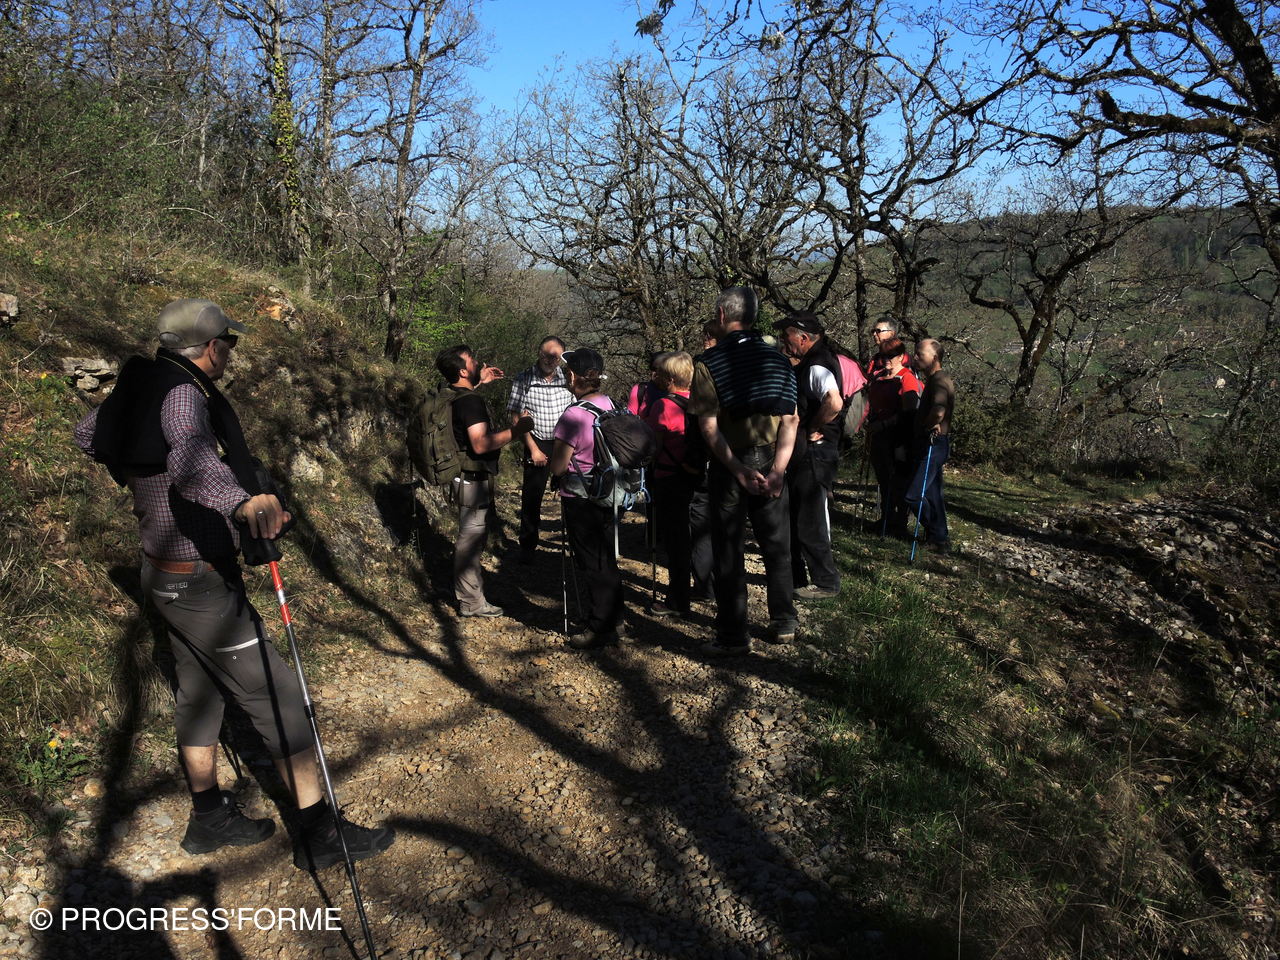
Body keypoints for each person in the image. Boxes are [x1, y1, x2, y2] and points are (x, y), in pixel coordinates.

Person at [73, 299, 394, 871]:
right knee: (280, 697)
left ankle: (209, 818)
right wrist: (241, 502)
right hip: (198, 581)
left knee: (199, 691)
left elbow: (87, 434)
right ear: (211, 347)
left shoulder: (141, 384)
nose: (231, 354)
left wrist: (141, 479)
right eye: (230, 343)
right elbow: (192, 463)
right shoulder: (182, 395)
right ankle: (321, 835)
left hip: (162, 571)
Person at [689, 287, 800, 655]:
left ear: (722, 315)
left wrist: (737, 469)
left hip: (730, 464)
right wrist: (779, 470)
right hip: (771, 457)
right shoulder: (779, 360)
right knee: (776, 544)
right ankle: (784, 620)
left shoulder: (709, 363)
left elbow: (708, 428)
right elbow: (791, 419)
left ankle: (734, 635)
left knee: (729, 549)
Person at [437, 345, 535, 617]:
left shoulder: (449, 394)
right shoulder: (470, 402)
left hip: (460, 476)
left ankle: (471, 595)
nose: (477, 362)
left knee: (471, 535)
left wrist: (479, 382)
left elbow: (462, 408)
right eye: (472, 361)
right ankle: (471, 602)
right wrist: (517, 430)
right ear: (462, 371)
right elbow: (480, 444)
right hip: (471, 479)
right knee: (470, 539)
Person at [550, 348, 624, 650]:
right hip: (611, 493)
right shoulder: (612, 404)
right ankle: (616, 618)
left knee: (592, 562)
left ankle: (600, 627)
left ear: (572, 376)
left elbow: (558, 466)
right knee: (606, 558)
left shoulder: (574, 415)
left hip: (581, 497)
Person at [774, 312, 843, 599]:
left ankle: (826, 582)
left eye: (787, 334)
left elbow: (834, 402)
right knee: (800, 515)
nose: (783, 339)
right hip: (810, 452)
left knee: (810, 519)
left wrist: (814, 426)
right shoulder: (817, 360)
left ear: (803, 338)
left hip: (815, 453)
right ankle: (798, 578)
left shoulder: (816, 365)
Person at [644, 351, 712, 616]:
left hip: (670, 478)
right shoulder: (701, 401)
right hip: (700, 476)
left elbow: (653, 445)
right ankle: (706, 588)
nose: (657, 377)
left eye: (661, 374)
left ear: (671, 379)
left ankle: (677, 600)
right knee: (702, 534)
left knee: (677, 540)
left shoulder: (663, 406)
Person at [506, 335, 572, 564]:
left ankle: (575, 544)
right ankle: (528, 546)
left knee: (573, 494)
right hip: (537, 441)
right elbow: (515, 416)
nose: (550, 360)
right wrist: (533, 449)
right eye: (546, 354)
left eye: (555, 356)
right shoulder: (524, 379)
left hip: (565, 444)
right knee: (532, 496)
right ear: (538, 353)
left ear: (561, 358)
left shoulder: (568, 378)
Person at [865, 339, 923, 537]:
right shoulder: (879, 376)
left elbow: (909, 411)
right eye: (883, 356)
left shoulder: (907, 378)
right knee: (883, 478)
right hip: (879, 435)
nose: (886, 360)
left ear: (901, 357)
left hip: (898, 436)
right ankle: (887, 518)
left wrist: (883, 424)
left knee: (897, 479)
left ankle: (899, 522)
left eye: (891, 356)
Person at [905, 338, 955, 553]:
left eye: (920, 354)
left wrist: (927, 425)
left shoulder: (939, 381)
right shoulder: (935, 379)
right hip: (934, 443)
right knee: (933, 494)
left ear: (934, 358)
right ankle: (940, 538)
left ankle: (935, 532)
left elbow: (939, 411)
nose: (915, 357)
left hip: (933, 443)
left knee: (913, 495)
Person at [626, 352, 665, 418]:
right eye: (653, 369)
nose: (655, 373)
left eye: (660, 370)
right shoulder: (640, 389)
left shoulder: (676, 393)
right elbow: (631, 418)